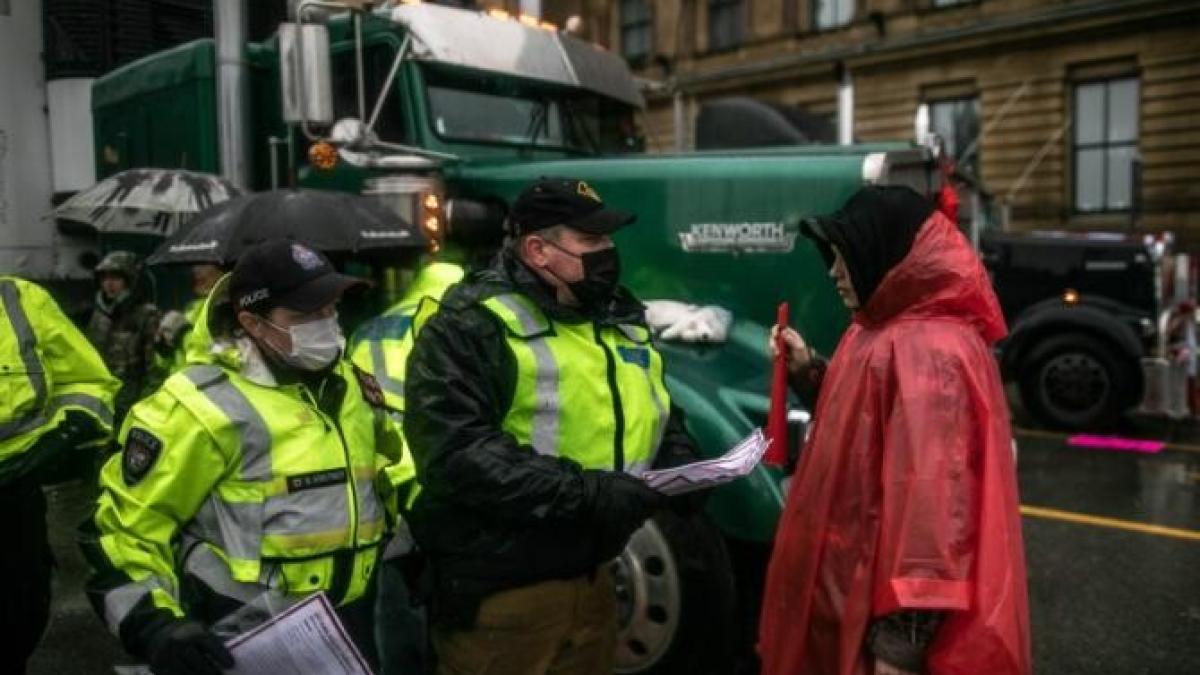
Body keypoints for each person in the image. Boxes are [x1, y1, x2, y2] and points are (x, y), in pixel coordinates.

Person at [404, 177, 700, 675]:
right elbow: (456, 454)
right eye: (591, 241)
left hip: (595, 578)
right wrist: (588, 494)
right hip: (504, 594)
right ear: (538, 250)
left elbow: (655, 405)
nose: (608, 252)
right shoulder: (470, 324)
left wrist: (682, 460)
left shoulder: (615, 316)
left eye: (608, 239)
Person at [80, 240, 406, 674]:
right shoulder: (198, 407)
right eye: (306, 315)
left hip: (350, 629)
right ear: (252, 322)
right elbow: (125, 532)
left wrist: (407, 545)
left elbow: (380, 478)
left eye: (330, 308)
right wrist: (155, 625)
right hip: (243, 638)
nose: (326, 324)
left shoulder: (352, 385)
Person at [757, 186, 1031, 675]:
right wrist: (809, 372)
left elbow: (937, 518)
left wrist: (899, 647)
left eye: (845, 257)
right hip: (853, 590)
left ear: (887, 255)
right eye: (833, 257)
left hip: (877, 612)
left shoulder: (931, 350)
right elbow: (866, 430)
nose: (834, 272)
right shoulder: (879, 327)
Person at [350, 257, 465, 675]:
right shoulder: (465, 326)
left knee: (393, 605)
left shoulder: (372, 328)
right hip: (441, 486)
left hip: (387, 484)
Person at [1, 276, 119, 674]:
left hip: (14, 492)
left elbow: (86, 381)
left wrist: (61, 436)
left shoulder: (20, 298)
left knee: (20, 614)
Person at [86, 250, 164, 422]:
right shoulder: (98, 317)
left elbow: (155, 370)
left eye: (116, 278)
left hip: (132, 405)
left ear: (129, 281)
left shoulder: (147, 315)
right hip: (100, 402)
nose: (109, 284)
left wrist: (144, 407)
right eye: (104, 278)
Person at [156, 263, 225, 373]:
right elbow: (172, 363)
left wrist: (184, 334)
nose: (195, 270)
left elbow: (223, 357)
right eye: (194, 266)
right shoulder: (192, 308)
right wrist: (163, 349)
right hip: (181, 385)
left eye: (204, 264)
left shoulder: (231, 311)